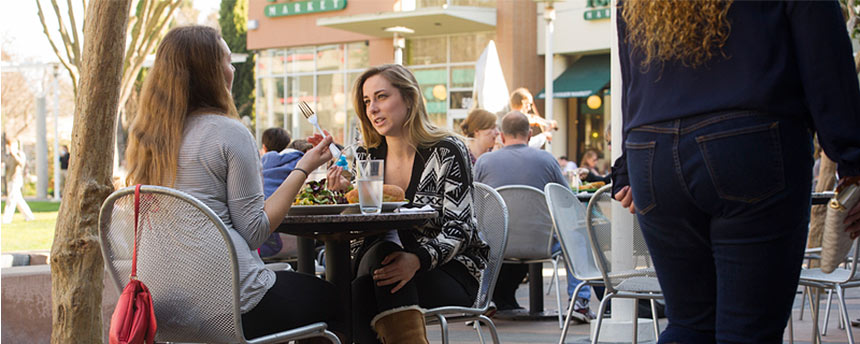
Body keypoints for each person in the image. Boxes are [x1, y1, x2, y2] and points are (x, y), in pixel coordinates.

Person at [613, 2, 860, 343]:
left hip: (652, 151)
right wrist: (853, 163)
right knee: (748, 331)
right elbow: (827, 64)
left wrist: (627, 167)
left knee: (689, 324)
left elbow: (632, 79)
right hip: (749, 142)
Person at [123, 25, 343, 341]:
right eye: (227, 61)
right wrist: (303, 168)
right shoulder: (228, 132)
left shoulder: (147, 139)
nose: (232, 70)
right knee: (336, 299)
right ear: (210, 72)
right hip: (232, 308)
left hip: (167, 311)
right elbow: (254, 230)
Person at [318, 64, 489, 344]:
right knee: (377, 268)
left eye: (381, 97)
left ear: (409, 99)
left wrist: (417, 260)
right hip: (378, 264)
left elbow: (461, 228)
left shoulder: (446, 151)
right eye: (366, 101)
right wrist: (342, 196)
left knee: (363, 288)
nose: (372, 108)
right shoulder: (366, 156)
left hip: (445, 269)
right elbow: (360, 227)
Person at [473, 111, 595, 321]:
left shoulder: (484, 162)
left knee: (480, 232)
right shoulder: (546, 160)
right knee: (577, 234)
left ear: (502, 136)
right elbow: (566, 201)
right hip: (543, 243)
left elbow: (475, 203)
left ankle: (482, 299)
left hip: (496, 245)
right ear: (529, 134)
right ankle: (579, 303)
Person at [259, 127, 302, 260]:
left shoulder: (258, 167)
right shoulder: (301, 162)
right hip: (300, 242)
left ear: (264, 147)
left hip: (265, 243)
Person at [3, 138, 34, 224]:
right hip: (9, 179)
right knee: (18, 200)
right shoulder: (7, 156)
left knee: (11, 199)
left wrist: (14, 154)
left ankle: (6, 219)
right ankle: (29, 216)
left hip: (16, 179)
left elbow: (21, 163)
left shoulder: (20, 154)